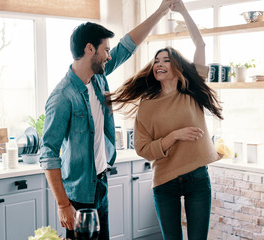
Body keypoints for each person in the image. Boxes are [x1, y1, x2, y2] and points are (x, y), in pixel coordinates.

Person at [39, 1, 179, 239]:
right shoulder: (62, 97)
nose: (109, 56)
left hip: (100, 184)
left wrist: (160, 11)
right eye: (105, 50)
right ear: (90, 49)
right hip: (79, 195)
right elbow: (48, 152)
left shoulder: (97, 77)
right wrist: (63, 205)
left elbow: (128, 45)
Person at [107, 1, 224, 239]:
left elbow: (200, 43)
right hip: (165, 182)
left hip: (198, 179)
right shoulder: (147, 106)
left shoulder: (193, 89)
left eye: (166, 60)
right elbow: (142, 149)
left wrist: (183, 11)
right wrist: (173, 136)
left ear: (177, 65)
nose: (159, 64)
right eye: (156, 61)